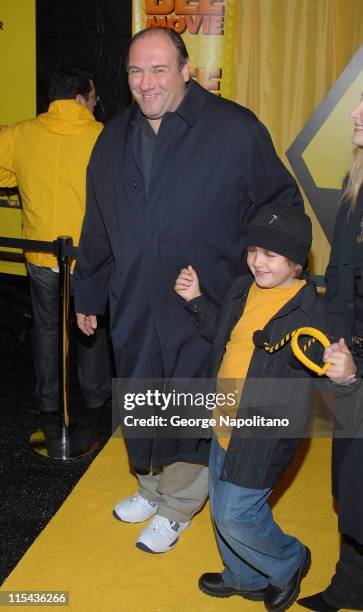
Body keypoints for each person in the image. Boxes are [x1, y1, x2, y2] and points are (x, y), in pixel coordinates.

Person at [73, 27, 303, 554]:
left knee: (190, 400)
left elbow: (282, 205)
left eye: (158, 69)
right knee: (144, 392)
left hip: (203, 303)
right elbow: (98, 226)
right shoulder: (111, 138)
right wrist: (88, 293)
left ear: (185, 70)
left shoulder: (235, 130)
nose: (145, 82)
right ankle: (151, 487)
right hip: (131, 300)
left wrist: (263, 276)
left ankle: (178, 504)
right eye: (135, 70)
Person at [175, 202, 354, 611]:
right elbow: (226, 337)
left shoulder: (310, 310)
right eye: (254, 250)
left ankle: (289, 560)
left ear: (297, 262)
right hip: (224, 422)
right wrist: (197, 300)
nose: (258, 262)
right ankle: (245, 577)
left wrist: (339, 370)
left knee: (238, 514)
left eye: (271, 255)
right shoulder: (244, 288)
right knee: (222, 512)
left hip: (264, 434)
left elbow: (319, 379)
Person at [0, 67, 112, 413]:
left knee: (47, 329)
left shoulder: (21, 134)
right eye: (93, 99)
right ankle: (95, 395)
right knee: (91, 326)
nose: (95, 105)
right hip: (88, 256)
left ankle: (50, 400)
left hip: (40, 254)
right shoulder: (105, 136)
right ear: (80, 99)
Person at [298, 98, 363, 611]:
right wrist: (339, 348)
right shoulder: (355, 179)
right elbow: (340, 276)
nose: (355, 113)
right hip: (349, 363)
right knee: (350, 482)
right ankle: (351, 582)